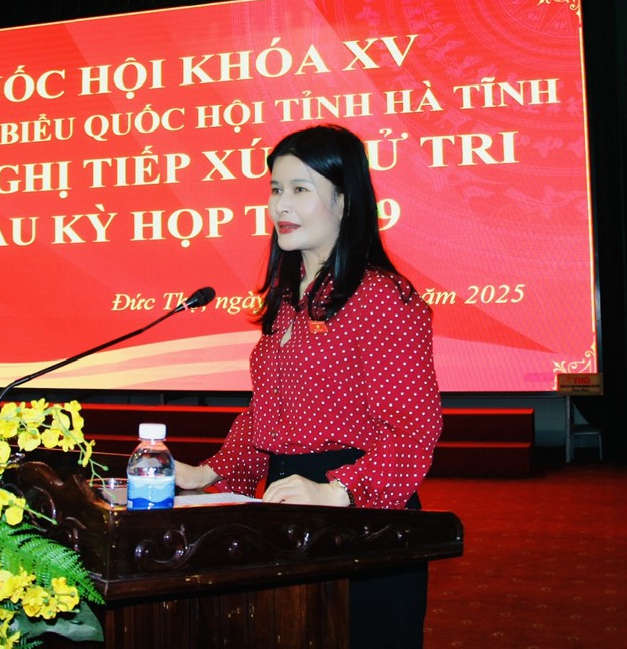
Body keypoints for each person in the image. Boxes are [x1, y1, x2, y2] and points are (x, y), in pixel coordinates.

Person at [175, 124, 442, 649]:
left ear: (345, 202)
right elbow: (267, 415)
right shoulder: (286, 302)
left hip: (363, 520)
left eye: (301, 189)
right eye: (276, 189)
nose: (281, 205)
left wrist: (337, 491)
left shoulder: (381, 297)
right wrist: (207, 472)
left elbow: (415, 428)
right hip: (287, 509)